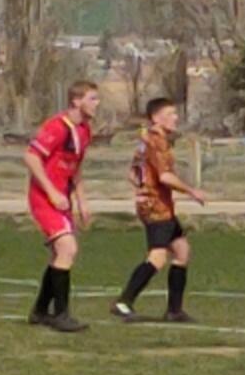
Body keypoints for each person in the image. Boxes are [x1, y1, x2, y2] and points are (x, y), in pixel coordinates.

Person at [113, 98, 206, 322]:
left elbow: (132, 174)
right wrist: (191, 191)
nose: (176, 118)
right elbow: (165, 176)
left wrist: (142, 187)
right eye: (170, 114)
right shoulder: (156, 141)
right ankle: (124, 301)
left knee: (182, 251)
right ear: (156, 118)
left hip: (160, 205)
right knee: (157, 256)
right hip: (156, 207)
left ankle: (174, 310)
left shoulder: (145, 140)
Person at [26, 80, 98, 331]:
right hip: (44, 198)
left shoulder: (85, 131)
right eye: (92, 98)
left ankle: (40, 311)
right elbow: (31, 157)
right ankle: (61, 314)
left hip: (63, 199)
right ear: (76, 101)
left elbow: (75, 169)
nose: (97, 104)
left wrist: (82, 200)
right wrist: (51, 191)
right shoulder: (57, 126)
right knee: (68, 248)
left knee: (60, 254)